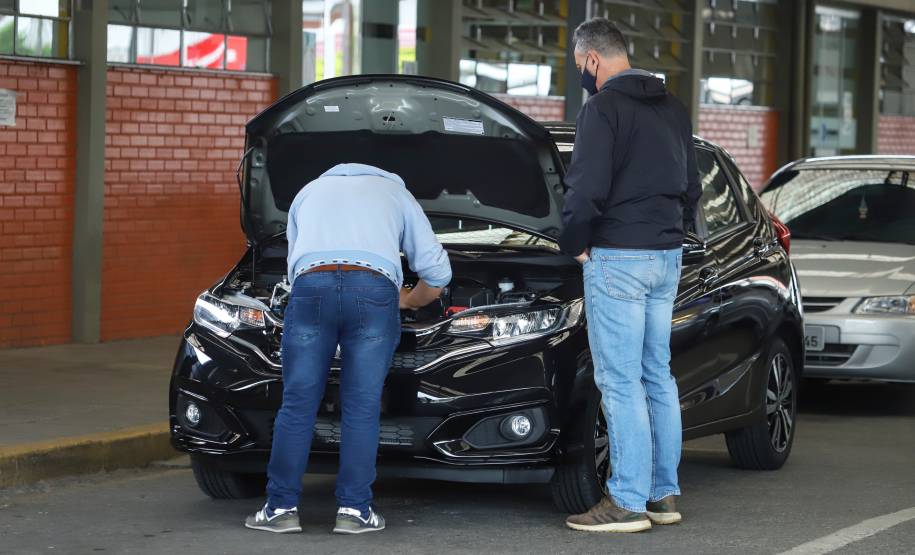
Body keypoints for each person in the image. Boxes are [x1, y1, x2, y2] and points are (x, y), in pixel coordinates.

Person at [245, 163, 451, 535]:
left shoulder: (308, 191)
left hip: (311, 290)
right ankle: (354, 512)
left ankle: (280, 509)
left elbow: (294, 265)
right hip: (373, 291)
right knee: (362, 404)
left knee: (297, 403)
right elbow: (437, 273)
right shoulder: (397, 194)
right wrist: (407, 300)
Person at [559, 18, 701, 533]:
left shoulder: (601, 109)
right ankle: (663, 495)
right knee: (656, 375)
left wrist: (574, 245)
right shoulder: (673, 107)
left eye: (580, 67)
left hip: (618, 256)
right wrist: (671, 234)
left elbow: (585, 188)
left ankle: (625, 501)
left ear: (593, 60)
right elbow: (692, 186)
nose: (583, 76)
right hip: (665, 256)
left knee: (619, 382)